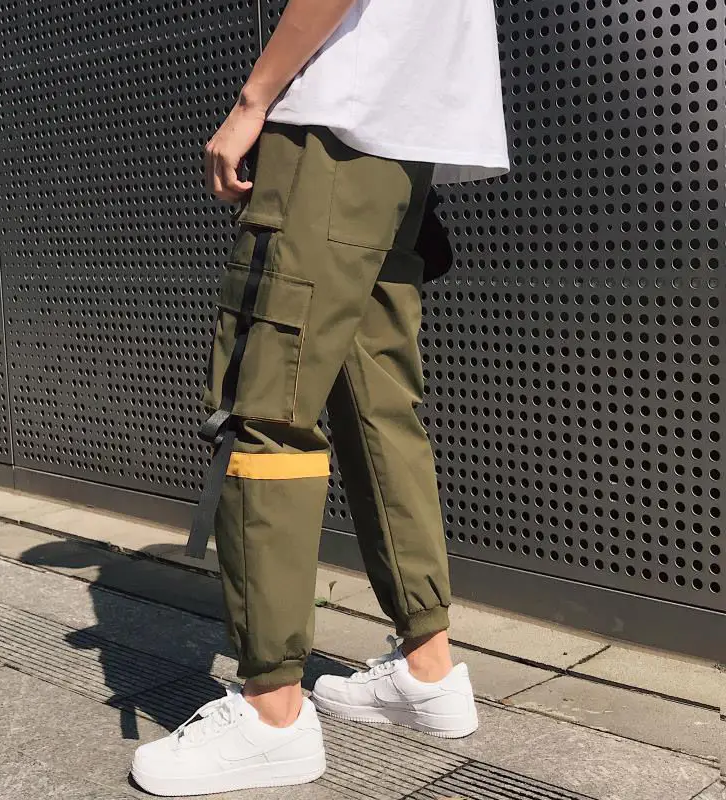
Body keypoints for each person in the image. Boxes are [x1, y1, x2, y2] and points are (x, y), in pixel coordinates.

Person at [131, 0, 509, 795]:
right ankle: (428, 670)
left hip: (336, 124)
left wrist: (253, 100)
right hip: (408, 141)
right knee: (378, 408)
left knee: (267, 407)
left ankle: (271, 714)